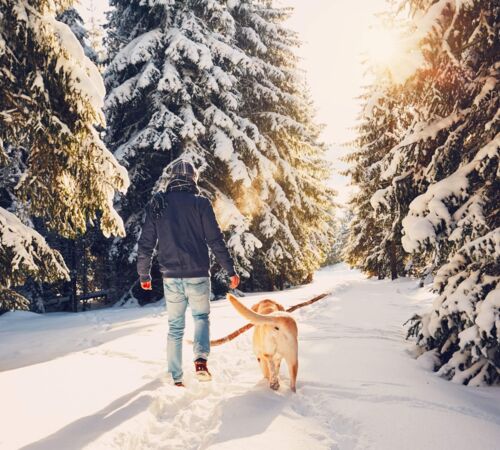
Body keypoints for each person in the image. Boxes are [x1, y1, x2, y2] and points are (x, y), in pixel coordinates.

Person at [136, 159, 240, 387]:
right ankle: (201, 360)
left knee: (175, 326)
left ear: (171, 178)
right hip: (199, 274)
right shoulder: (200, 203)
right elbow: (215, 240)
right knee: (201, 318)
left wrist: (144, 274)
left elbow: (146, 243)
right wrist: (230, 270)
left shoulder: (159, 203)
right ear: (193, 179)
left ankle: (176, 377)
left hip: (171, 277)